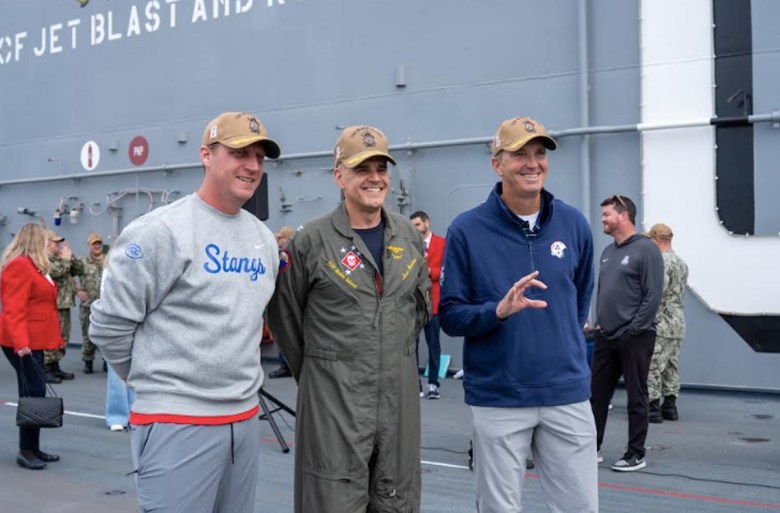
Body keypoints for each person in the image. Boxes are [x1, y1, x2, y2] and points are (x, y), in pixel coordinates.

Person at [90, 111, 281, 512]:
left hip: (244, 422)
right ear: (206, 155)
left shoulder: (262, 238)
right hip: (176, 423)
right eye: (239, 153)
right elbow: (109, 326)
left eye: (260, 157)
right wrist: (160, 381)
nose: (252, 166)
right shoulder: (160, 231)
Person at [268, 125, 431, 513]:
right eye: (362, 168)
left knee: (397, 499)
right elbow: (286, 317)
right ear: (339, 176)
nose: (374, 177)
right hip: (335, 403)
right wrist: (326, 371)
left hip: (398, 400)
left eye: (381, 168)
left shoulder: (407, 236)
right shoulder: (310, 242)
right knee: (333, 499)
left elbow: (418, 309)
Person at [439, 116, 597, 512]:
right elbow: (451, 316)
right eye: (520, 154)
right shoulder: (467, 230)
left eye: (539, 153)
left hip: (567, 395)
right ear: (497, 164)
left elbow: (577, 304)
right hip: (499, 397)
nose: (532, 163)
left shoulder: (574, 224)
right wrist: (498, 310)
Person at [590, 194, 664, 472]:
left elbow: (653, 295)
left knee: (636, 395)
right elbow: (603, 293)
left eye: (606, 214)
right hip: (605, 335)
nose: (603, 220)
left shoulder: (647, 249)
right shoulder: (608, 252)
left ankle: (635, 453)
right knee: (596, 396)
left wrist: (633, 330)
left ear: (623, 215)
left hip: (635, 337)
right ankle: (591, 447)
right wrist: (598, 322)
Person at [0, 223, 65, 470]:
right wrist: (21, 343)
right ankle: (26, 450)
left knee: (33, 394)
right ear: (37, 241)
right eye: (49, 241)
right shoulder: (20, 266)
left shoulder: (35, 267)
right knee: (32, 395)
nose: (54, 246)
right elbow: (13, 308)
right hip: (22, 343)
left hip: (32, 340)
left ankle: (33, 448)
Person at [645, 223, 688, 423]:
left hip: (661, 322)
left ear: (656, 240)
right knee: (671, 364)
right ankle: (670, 406)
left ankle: (652, 408)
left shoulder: (660, 263)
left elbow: (657, 293)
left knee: (653, 364)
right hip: (678, 321)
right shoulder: (681, 263)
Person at [409, 210, 445, 399]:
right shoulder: (408, 245)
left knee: (434, 345)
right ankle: (416, 385)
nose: (415, 229)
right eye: (412, 225)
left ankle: (433, 383)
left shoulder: (441, 243)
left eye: (417, 225)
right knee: (412, 346)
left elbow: (446, 269)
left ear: (426, 223)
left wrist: (429, 271)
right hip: (414, 304)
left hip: (434, 304)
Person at [45, 231, 85, 383]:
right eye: (56, 243)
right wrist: (66, 260)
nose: (59, 245)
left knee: (62, 337)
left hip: (64, 303)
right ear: (47, 244)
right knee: (51, 336)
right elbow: (55, 272)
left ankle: (55, 366)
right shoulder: (44, 259)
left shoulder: (61, 258)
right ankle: (47, 367)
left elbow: (78, 270)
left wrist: (71, 256)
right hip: (53, 303)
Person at [267, 226, 296, 379]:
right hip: (284, 298)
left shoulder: (285, 255)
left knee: (284, 332)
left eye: (280, 238)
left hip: (286, 300)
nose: (278, 241)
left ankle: (286, 365)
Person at [76, 232, 105, 374]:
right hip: (88, 305)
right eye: (94, 244)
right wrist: (77, 291)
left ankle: (107, 362)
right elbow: (67, 275)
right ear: (89, 246)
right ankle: (88, 361)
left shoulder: (109, 260)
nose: (97, 246)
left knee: (107, 334)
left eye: (99, 243)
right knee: (88, 334)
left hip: (107, 306)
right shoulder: (82, 262)